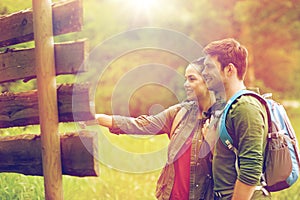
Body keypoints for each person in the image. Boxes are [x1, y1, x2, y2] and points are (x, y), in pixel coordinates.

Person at [81, 58, 223, 200]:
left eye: (192, 79)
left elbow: (233, 169)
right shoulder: (179, 113)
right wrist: (98, 118)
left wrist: (212, 146)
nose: (186, 84)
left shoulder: (224, 117)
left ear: (207, 80)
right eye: (186, 79)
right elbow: (141, 124)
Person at [202, 38, 271, 200]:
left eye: (209, 67)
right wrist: (213, 144)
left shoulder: (246, 108)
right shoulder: (230, 106)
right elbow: (231, 159)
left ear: (229, 70)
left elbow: (250, 171)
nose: (204, 72)